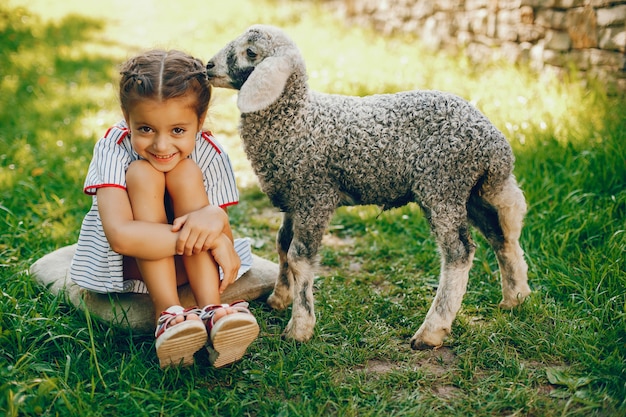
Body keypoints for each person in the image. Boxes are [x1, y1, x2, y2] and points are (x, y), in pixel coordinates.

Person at [69, 49, 259, 369]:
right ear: (126, 115)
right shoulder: (113, 147)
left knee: (186, 174)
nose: (161, 145)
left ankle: (211, 311)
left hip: (188, 266)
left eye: (177, 131)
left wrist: (214, 222)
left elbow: (221, 231)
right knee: (142, 173)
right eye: (145, 129)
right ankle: (168, 314)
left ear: (200, 121)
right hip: (129, 265)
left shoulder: (209, 150)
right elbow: (120, 237)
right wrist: (209, 236)